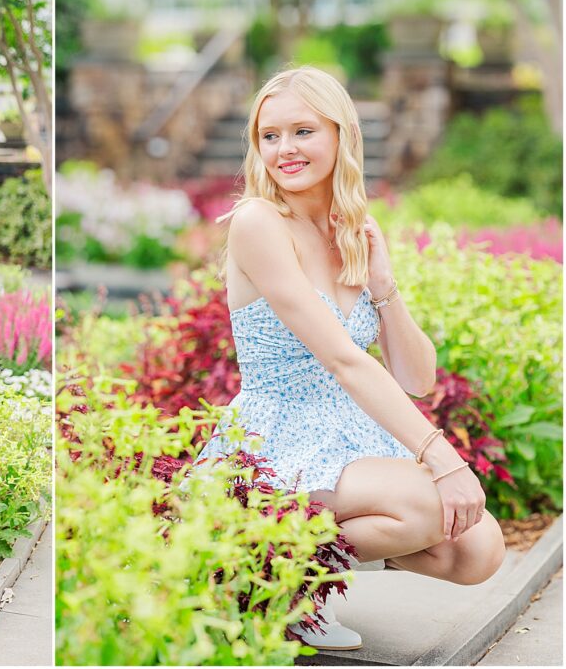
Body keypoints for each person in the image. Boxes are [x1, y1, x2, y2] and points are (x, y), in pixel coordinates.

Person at [193, 67, 505, 650]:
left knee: (479, 549)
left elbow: (417, 377)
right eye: (270, 135)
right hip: (278, 433)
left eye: (303, 131)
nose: (284, 149)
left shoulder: (350, 229)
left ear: (341, 135)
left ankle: (291, 578)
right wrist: (445, 460)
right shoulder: (259, 223)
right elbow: (343, 360)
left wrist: (384, 286)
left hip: (343, 431)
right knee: (427, 504)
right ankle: (271, 578)